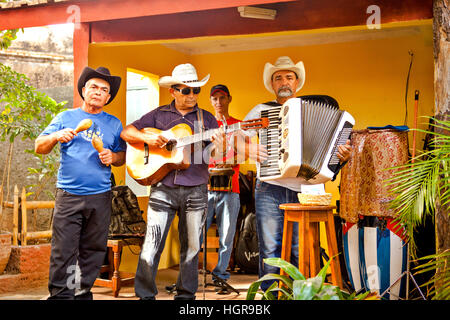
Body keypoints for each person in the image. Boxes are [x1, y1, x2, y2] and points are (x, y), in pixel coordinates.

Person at [120, 63, 228, 300]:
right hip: (163, 189)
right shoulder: (159, 115)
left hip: (196, 190)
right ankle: (145, 295)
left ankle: (186, 298)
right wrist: (148, 137)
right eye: (186, 90)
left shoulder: (207, 119)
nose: (192, 95)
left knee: (190, 247)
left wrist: (219, 144)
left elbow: (213, 156)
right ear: (173, 91)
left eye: (196, 91)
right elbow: (127, 132)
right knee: (152, 244)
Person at [243, 56, 352, 291]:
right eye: (278, 77)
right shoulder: (261, 111)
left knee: (299, 250)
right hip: (270, 188)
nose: (284, 81)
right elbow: (237, 138)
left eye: (289, 77)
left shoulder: (313, 111)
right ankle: (271, 297)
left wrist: (340, 156)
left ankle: (298, 296)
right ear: (271, 84)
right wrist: (248, 147)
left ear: (297, 82)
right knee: (270, 250)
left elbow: (332, 153)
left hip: (306, 191)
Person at [35, 66, 127, 299]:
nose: (98, 92)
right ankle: (61, 296)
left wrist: (112, 157)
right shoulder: (66, 118)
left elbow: (121, 157)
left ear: (108, 97)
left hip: (100, 197)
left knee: (93, 251)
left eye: (104, 89)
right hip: (69, 195)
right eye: (93, 87)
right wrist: (56, 136)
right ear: (84, 90)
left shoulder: (114, 124)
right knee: (63, 251)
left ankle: (82, 293)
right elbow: (39, 146)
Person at [204, 84, 241, 294]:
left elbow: (242, 155)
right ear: (211, 101)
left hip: (230, 186)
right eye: (215, 99)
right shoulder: (205, 126)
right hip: (206, 185)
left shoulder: (238, 124)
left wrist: (227, 152)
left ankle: (220, 277)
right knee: (197, 232)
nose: (218, 103)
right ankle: (191, 277)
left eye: (222, 98)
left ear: (229, 99)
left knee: (227, 236)